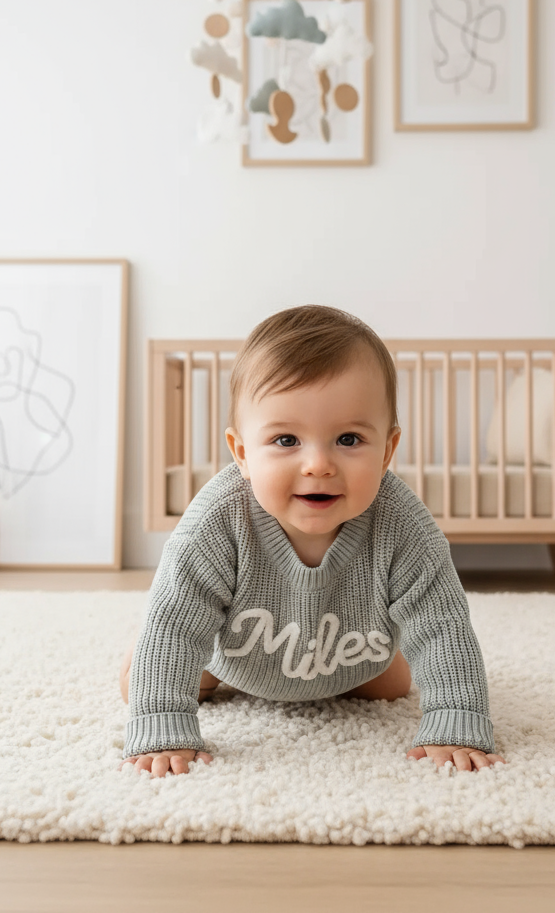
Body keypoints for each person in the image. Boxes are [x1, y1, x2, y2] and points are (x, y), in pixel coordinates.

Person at [119, 304, 505, 778]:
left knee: (396, 683)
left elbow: (442, 623)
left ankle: (351, 677)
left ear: (387, 451)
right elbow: (177, 620)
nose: (318, 464)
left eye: (347, 439)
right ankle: (171, 682)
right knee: (149, 672)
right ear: (242, 453)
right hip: (235, 663)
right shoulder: (217, 522)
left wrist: (456, 721)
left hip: (351, 659)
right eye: (286, 441)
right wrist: (161, 720)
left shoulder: (403, 524)